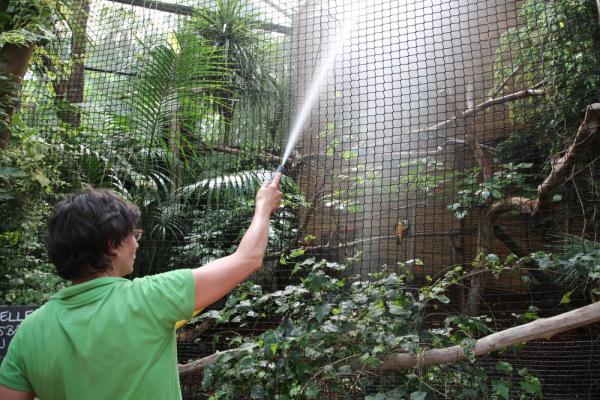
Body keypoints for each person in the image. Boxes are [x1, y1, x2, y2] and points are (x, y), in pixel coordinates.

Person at [0, 173, 283, 399]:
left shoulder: (30, 331)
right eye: (132, 235)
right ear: (112, 245)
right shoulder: (150, 298)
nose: (137, 243)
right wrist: (263, 207)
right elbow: (247, 259)